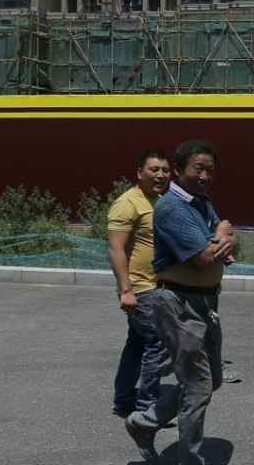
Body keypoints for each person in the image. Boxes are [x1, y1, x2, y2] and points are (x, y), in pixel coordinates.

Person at [123, 139, 238, 465]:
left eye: (210, 170)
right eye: (198, 169)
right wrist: (224, 232)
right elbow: (205, 257)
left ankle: (143, 422)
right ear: (180, 170)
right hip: (178, 304)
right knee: (199, 386)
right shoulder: (172, 206)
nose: (204, 176)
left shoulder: (202, 202)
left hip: (205, 304)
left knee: (211, 379)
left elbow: (227, 244)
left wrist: (225, 231)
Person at [107, 149, 171, 418]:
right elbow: (115, 249)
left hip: (156, 286)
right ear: (139, 173)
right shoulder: (127, 203)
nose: (160, 175)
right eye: (154, 169)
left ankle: (123, 401)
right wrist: (126, 290)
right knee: (157, 343)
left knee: (137, 344)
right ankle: (147, 407)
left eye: (165, 170)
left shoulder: (158, 200)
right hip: (140, 289)